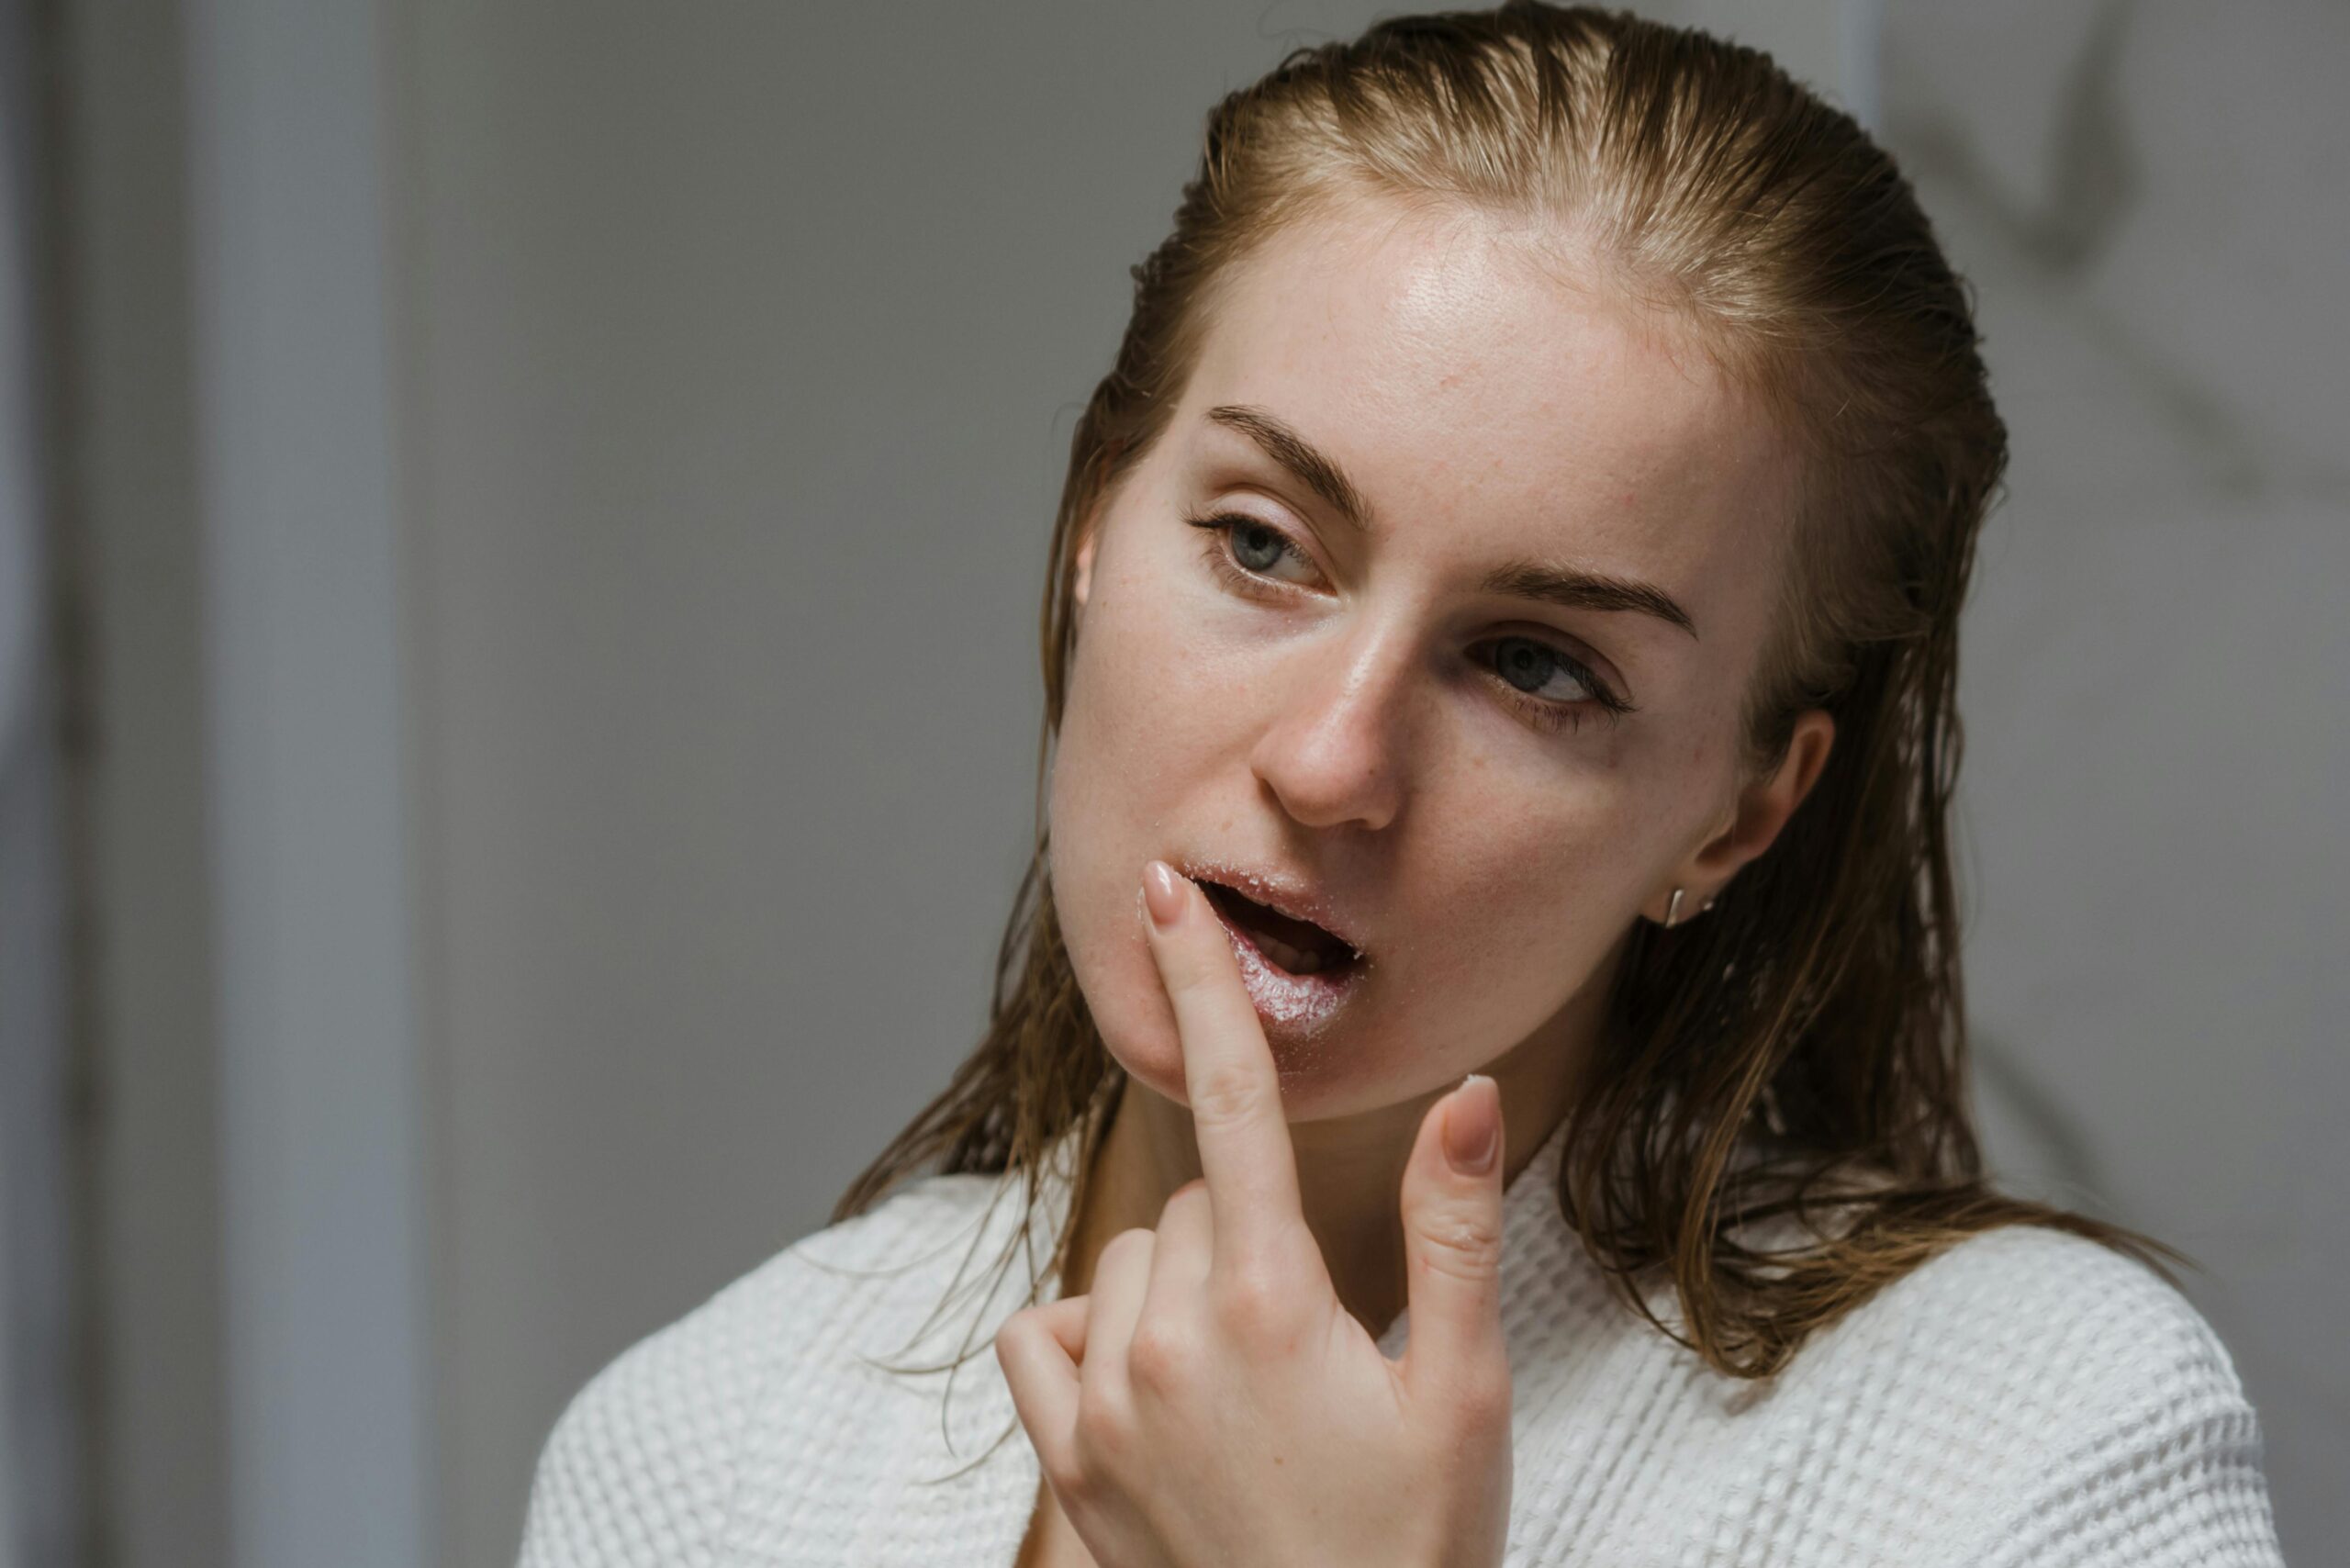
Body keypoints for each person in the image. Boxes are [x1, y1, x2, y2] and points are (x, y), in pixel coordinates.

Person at [514, 5, 2288, 1564]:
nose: (1331, 761)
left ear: (1740, 810)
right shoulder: (708, 1449)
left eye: (1538, 666)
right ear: (1092, 529)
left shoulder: (2035, 1443)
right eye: (1261, 546)